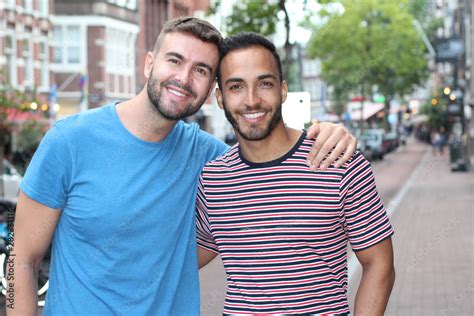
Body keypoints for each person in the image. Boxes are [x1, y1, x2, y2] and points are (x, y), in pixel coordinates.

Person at [10, 18, 357, 315]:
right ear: (149, 64)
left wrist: (326, 133)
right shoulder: (70, 142)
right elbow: (20, 259)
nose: (184, 77)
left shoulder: (212, 159)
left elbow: (273, 162)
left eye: (201, 70)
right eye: (174, 61)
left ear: (211, 91)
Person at [196, 32, 395, 315]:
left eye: (264, 83)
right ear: (220, 97)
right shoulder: (213, 178)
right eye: (236, 87)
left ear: (283, 90)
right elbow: (186, 256)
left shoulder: (337, 161)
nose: (252, 100)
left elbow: (380, 264)